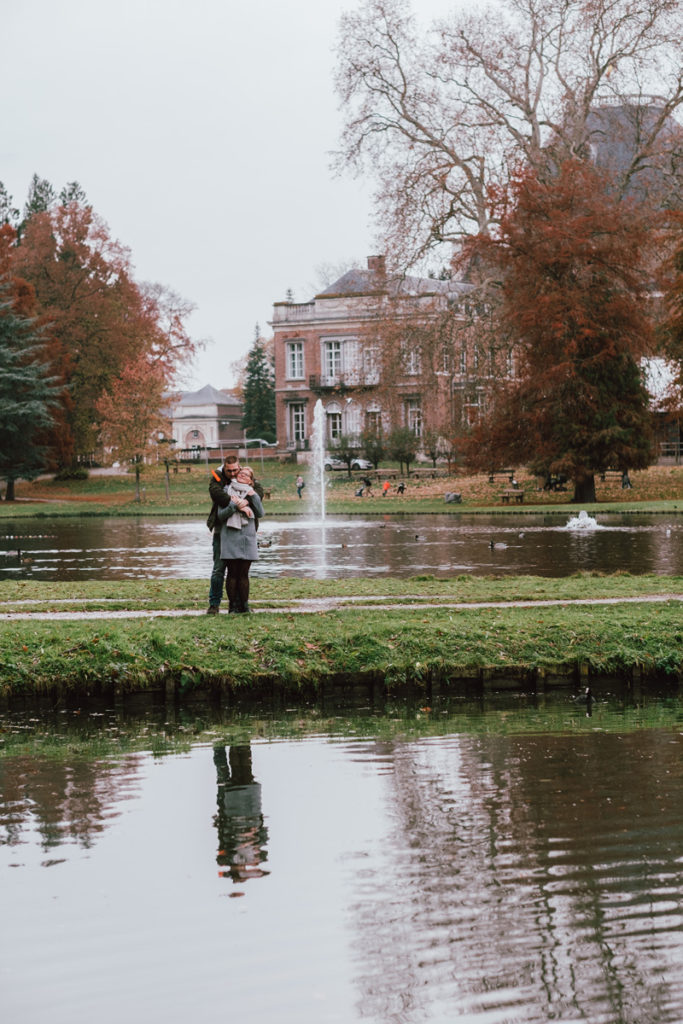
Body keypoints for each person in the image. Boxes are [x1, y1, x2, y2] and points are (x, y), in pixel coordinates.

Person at [206, 455, 263, 615]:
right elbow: (216, 495)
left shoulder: (244, 475)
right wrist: (237, 503)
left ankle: (240, 605)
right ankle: (215, 604)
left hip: (245, 533)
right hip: (222, 530)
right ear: (224, 468)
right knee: (219, 569)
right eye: (229, 471)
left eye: (235, 470)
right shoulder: (218, 479)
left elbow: (258, 490)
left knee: (240, 573)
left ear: (239, 468)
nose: (233, 474)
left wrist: (249, 499)